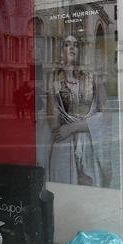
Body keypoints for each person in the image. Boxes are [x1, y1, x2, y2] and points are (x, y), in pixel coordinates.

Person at [46, 34, 112, 187]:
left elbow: (107, 115)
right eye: (67, 44)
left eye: (75, 44)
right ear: (60, 51)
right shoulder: (56, 82)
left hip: (90, 146)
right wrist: (51, 88)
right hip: (64, 150)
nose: (72, 47)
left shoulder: (93, 78)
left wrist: (72, 127)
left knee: (90, 197)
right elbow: (55, 126)